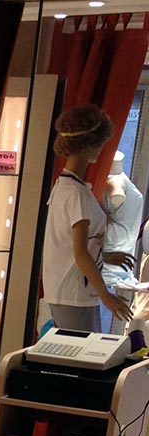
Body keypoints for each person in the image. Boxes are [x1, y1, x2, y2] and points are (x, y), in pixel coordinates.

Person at [42, 104, 134, 334]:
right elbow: (80, 251)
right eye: (100, 143)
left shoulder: (65, 188)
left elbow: (68, 244)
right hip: (74, 293)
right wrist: (106, 295)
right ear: (87, 145)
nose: (102, 149)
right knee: (82, 352)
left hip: (68, 290)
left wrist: (106, 257)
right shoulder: (77, 194)